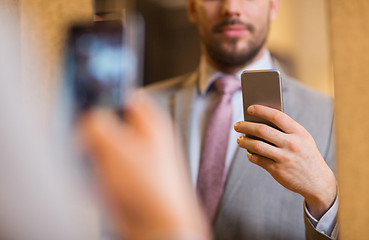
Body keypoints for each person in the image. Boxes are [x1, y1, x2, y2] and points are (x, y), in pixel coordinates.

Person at [145, 0, 338, 239]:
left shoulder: (331, 117)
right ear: (192, 8)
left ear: (274, 6)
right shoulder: (139, 109)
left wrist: (325, 193)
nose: (231, 8)